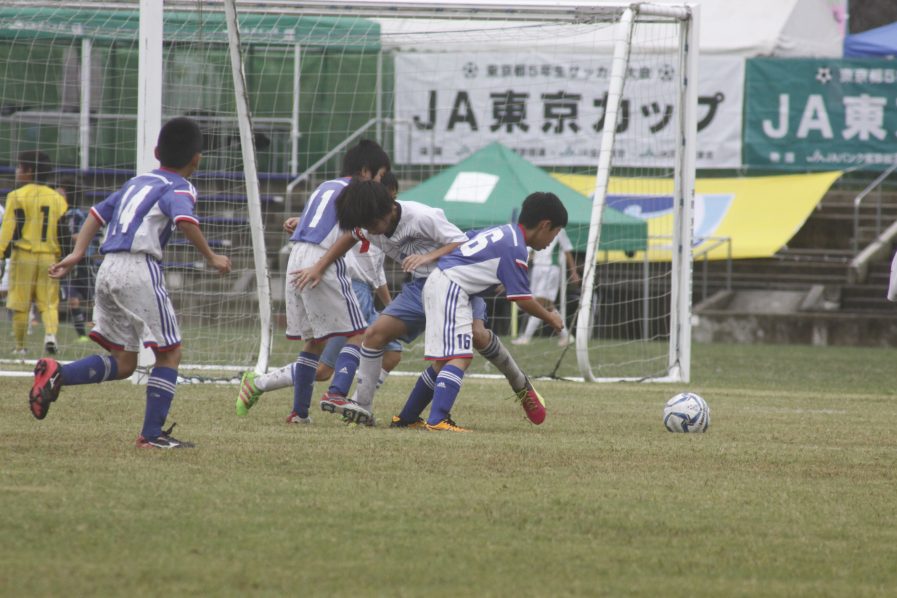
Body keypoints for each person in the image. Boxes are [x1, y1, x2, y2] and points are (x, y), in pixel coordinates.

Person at [29, 117, 232, 449]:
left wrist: (77, 253)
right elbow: (184, 219)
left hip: (107, 267)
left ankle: (56, 373)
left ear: (156, 152)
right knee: (170, 353)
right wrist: (212, 257)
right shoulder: (180, 186)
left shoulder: (136, 182)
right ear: (197, 158)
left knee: (125, 362)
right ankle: (151, 435)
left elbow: (96, 214)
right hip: (139, 267)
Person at [296, 179, 548, 428]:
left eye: (372, 224)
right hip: (421, 289)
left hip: (460, 282)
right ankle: (363, 407)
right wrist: (319, 267)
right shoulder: (371, 224)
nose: (370, 231)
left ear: (389, 207)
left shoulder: (422, 216)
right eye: (366, 226)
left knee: (477, 336)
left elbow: (462, 242)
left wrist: (430, 256)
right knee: (374, 335)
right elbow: (351, 236)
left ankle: (521, 386)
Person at [236, 139, 390, 425]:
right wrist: (321, 266)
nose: (380, 183)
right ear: (367, 171)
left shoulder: (325, 186)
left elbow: (320, 220)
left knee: (313, 342)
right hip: (322, 258)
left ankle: (299, 413)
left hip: (297, 254)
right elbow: (349, 235)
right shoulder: (358, 192)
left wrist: (299, 223)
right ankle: (336, 395)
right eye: (380, 177)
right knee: (357, 334)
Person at [397, 191, 567, 432]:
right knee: (461, 357)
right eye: (555, 233)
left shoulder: (503, 232)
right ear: (545, 225)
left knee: (443, 362)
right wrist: (550, 317)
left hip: (443, 282)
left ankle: (407, 417)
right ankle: (438, 420)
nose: (552, 240)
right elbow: (522, 299)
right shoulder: (517, 248)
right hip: (452, 288)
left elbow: (464, 242)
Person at [0, 150, 68, 356]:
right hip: (49, 257)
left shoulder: (16, 196)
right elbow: (62, 230)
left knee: (20, 303)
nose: (17, 170)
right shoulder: (57, 198)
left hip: (23, 255)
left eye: (20, 167)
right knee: (48, 302)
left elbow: (9, 229)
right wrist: (64, 258)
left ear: (29, 171)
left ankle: (20, 346)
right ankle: (50, 335)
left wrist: (1, 252)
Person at [513, 227, 579, 347]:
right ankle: (565, 336)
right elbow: (530, 250)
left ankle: (526, 337)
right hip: (537, 268)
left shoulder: (559, 230)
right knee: (547, 305)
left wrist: (573, 272)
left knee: (539, 303)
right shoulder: (538, 227)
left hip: (550, 268)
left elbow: (567, 250)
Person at [56, 175, 100, 342]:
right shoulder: (63, 214)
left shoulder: (73, 215)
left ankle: (100, 327)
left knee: (93, 297)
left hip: (82, 261)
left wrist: (63, 237)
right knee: (72, 299)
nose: (57, 192)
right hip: (70, 260)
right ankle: (82, 335)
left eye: (61, 190)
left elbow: (78, 236)